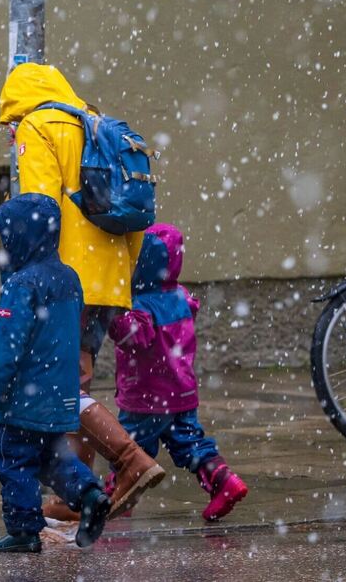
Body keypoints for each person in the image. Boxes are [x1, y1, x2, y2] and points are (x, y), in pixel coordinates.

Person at [0, 63, 165, 520]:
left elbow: (38, 211)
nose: (12, 133)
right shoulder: (95, 123)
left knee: (63, 386)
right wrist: (119, 276)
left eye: (10, 124)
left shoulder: (39, 125)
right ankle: (80, 498)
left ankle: (131, 461)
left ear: (20, 108)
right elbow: (135, 213)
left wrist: (32, 282)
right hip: (108, 275)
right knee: (78, 378)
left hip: (65, 277)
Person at [0, 193, 111, 552]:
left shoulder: (22, 284)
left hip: (25, 394)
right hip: (58, 392)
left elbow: (8, 344)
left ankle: (23, 531)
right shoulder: (69, 278)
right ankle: (91, 494)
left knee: (15, 458)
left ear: (23, 237)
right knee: (52, 456)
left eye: (9, 238)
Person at [107, 223, 249, 521]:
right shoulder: (181, 297)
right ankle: (222, 480)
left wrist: (112, 316)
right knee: (189, 442)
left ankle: (115, 499)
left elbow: (134, 337)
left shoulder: (141, 306)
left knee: (129, 450)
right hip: (182, 393)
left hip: (146, 398)